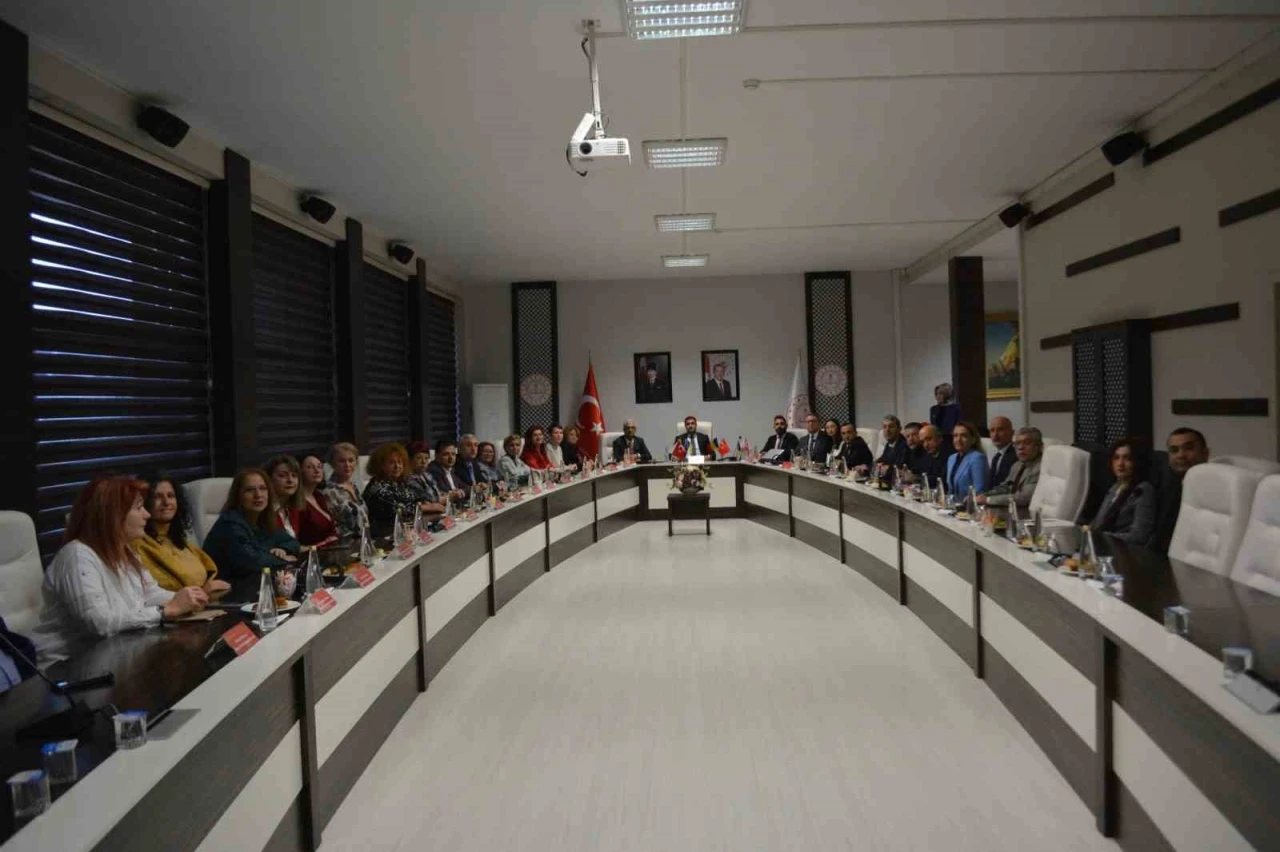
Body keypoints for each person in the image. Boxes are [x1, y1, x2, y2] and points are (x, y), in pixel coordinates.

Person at [33, 477, 209, 665]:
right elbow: (99, 623)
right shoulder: (77, 555)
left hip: (113, 659)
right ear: (114, 515)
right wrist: (166, 611)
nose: (147, 515)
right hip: (67, 667)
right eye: (139, 508)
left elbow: (150, 593)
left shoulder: (125, 552)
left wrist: (186, 598)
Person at [203, 469, 302, 600]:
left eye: (263, 489)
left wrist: (283, 549)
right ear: (238, 496)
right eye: (250, 490)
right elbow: (253, 561)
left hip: (255, 590)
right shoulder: (229, 523)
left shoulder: (262, 521)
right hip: (227, 597)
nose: (258, 495)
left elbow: (293, 542)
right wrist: (282, 560)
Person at [134, 473, 230, 595]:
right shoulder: (138, 545)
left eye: (171, 496)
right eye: (157, 497)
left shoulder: (180, 542)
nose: (166, 502)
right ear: (144, 502)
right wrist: (203, 592)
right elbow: (160, 590)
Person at [1153, 427, 1211, 553]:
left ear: (1205, 453)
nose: (1181, 455)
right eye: (1174, 450)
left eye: (1188, 448)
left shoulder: (1213, 490)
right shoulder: (1166, 487)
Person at [1092, 438, 1157, 548]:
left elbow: (1139, 536)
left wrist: (1102, 537)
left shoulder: (1144, 490)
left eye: (1127, 458)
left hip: (1122, 551)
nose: (1120, 463)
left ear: (1137, 462)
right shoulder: (1115, 487)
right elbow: (1098, 522)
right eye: (1116, 458)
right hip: (1101, 545)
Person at [364, 443, 435, 537]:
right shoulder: (377, 487)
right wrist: (427, 507)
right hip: (384, 536)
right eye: (391, 463)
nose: (397, 466)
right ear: (381, 465)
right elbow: (400, 510)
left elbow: (419, 497)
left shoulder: (399, 482)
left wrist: (423, 503)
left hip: (406, 531)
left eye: (400, 462)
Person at [978, 427, 1044, 514]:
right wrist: (983, 496)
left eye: (1027, 443)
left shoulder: (1042, 467)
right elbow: (1005, 487)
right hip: (1011, 511)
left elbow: (1023, 498)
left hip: (1030, 515)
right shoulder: (1017, 465)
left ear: (1039, 446)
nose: (1020, 447)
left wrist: (988, 500)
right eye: (1017, 443)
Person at [322, 442, 366, 541]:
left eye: (351, 460)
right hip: (345, 544)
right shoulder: (329, 492)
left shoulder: (354, 486)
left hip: (364, 540)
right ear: (333, 464)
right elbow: (333, 526)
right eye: (342, 461)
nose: (347, 465)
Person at [296, 455, 339, 547]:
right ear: (300, 472)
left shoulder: (318, 496)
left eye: (319, 466)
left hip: (330, 549)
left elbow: (332, 527)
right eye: (309, 467)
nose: (316, 470)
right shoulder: (296, 501)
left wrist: (333, 536)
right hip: (311, 552)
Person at [264, 455, 304, 540]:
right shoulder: (264, 511)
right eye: (282, 475)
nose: (290, 480)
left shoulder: (293, 509)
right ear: (269, 479)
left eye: (294, 475)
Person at [946, 421, 988, 498]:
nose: (958, 439)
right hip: (953, 503)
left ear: (973, 439)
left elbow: (979, 490)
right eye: (955, 436)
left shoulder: (978, 458)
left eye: (963, 436)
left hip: (970, 504)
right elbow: (950, 490)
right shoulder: (951, 458)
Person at [429, 440, 468, 504]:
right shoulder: (433, 471)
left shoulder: (451, 470)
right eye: (446, 454)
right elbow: (445, 492)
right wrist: (459, 493)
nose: (451, 458)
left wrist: (474, 488)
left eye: (453, 454)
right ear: (437, 456)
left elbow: (466, 487)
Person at [987, 416, 1016, 489]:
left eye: (1000, 429)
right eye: (992, 430)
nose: (995, 434)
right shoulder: (996, 457)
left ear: (1012, 433)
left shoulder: (1017, 454)